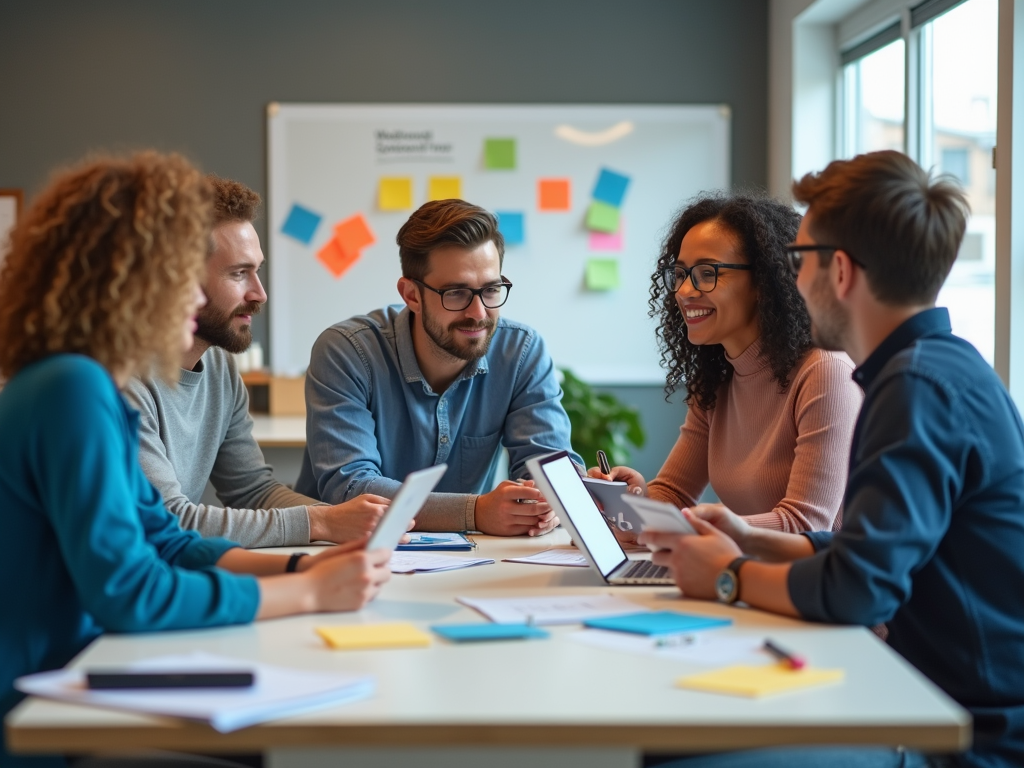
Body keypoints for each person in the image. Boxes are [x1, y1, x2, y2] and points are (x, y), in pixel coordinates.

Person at [0, 153, 391, 767]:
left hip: (77, 681)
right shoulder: (69, 389)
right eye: (182, 272)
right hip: (39, 719)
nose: (194, 292)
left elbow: (165, 540)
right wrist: (309, 595)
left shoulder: (87, 383)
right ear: (126, 279)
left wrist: (296, 568)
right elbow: (133, 592)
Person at [641, 151, 1024, 768]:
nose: (790, 280)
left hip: (957, 737)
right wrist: (744, 538)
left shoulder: (915, 388)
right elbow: (866, 553)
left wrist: (727, 576)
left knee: (664, 757)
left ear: (839, 270)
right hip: (920, 700)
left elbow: (858, 590)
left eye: (798, 260)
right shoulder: (932, 369)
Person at [125, 177, 390, 548]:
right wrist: (321, 522)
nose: (259, 293)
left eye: (257, 270)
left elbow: (253, 490)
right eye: (238, 273)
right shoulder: (119, 379)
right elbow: (169, 518)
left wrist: (345, 520)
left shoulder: (218, 366)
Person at [295, 199, 582, 536]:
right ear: (412, 295)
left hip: (474, 558)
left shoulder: (520, 351)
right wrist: (474, 512)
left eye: (490, 290)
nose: (478, 312)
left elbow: (550, 468)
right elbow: (350, 487)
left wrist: (550, 502)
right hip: (341, 552)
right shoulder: (348, 351)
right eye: (456, 293)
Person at [592, 193, 861, 533]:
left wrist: (692, 525)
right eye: (680, 273)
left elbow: (804, 525)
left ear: (763, 282)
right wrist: (630, 499)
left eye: (707, 273)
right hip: (750, 572)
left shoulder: (826, 373)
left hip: (815, 582)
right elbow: (673, 493)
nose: (684, 291)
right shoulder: (716, 379)